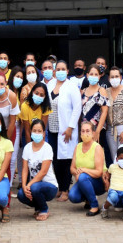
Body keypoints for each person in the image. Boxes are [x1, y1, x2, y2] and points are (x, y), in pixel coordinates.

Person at [47, 60, 81, 201]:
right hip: (52, 128)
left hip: (66, 129)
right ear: (55, 71)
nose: (60, 71)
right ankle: (60, 188)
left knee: (66, 160)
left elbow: (77, 108)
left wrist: (70, 128)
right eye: (58, 69)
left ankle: (66, 189)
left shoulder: (71, 86)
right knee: (55, 160)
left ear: (67, 71)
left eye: (63, 69)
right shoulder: (49, 84)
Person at [17, 119, 58, 221]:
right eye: (34, 130)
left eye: (39, 131)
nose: (37, 133)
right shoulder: (27, 148)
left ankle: (45, 209)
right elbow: (25, 169)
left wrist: (29, 185)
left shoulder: (47, 148)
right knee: (21, 194)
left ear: (44, 133)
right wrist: (24, 185)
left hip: (49, 186)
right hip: (34, 185)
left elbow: (43, 172)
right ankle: (38, 207)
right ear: (30, 132)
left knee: (34, 188)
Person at [17, 83, 52, 186]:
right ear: (32, 93)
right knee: (28, 160)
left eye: (42, 95)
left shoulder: (45, 107)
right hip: (28, 135)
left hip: (41, 134)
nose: (39, 96)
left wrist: (40, 147)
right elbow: (27, 130)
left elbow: (43, 129)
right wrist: (30, 148)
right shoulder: (25, 106)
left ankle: (42, 182)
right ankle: (26, 183)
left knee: (41, 159)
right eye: (37, 93)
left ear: (45, 97)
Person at [67, 121, 106, 216]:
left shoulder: (97, 148)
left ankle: (94, 206)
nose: (85, 134)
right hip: (82, 180)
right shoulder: (78, 146)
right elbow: (72, 167)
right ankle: (88, 199)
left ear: (93, 133)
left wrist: (83, 171)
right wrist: (77, 173)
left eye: (88, 131)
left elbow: (99, 172)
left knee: (83, 176)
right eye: (83, 131)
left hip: (99, 182)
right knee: (73, 196)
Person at [80, 64, 110, 164]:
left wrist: (97, 131)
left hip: (98, 129)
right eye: (91, 74)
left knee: (97, 156)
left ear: (99, 76)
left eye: (96, 74)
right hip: (84, 129)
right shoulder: (83, 91)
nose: (93, 76)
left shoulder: (101, 91)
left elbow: (104, 111)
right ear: (87, 75)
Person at [105, 66, 123, 162]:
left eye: (116, 76)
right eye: (112, 77)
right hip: (110, 130)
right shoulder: (106, 92)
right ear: (109, 78)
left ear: (121, 78)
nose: (114, 79)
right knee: (114, 156)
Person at [101, 147, 123, 220]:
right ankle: (105, 208)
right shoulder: (112, 167)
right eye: (121, 158)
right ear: (117, 159)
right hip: (114, 189)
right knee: (113, 197)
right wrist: (106, 182)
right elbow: (107, 175)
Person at [7, 66, 24, 187]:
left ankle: (9, 184)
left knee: (14, 158)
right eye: (17, 76)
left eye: (21, 78)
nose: (19, 79)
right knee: (7, 157)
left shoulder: (23, 92)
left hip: (19, 127)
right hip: (7, 127)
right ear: (12, 77)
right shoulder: (6, 90)